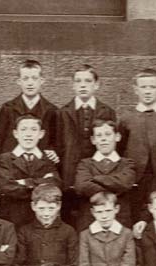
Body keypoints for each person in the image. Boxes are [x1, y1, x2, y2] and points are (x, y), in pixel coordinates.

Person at [57, 64, 117, 225]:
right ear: (73, 85)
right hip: (70, 175)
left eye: (88, 81)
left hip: (96, 175)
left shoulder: (107, 111)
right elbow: (58, 145)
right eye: (78, 81)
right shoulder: (63, 112)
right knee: (70, 217)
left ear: (96, 85)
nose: (83, 85)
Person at [118, 68, 156, 225]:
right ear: (136, 90)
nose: (148, 91)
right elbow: (120, 150)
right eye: (144, 87)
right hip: (136, 179)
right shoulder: (126, 118)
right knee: (134, 217)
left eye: (152, 87)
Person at [0, 114, 62, 228]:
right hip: (14, 218)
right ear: (15, 134)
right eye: (23, 129)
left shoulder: (47, 158)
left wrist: (23, 182)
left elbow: (55, 184)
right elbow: (7, 187)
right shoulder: (5, 159)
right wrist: (41, 183)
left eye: (33, 129)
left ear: (41, 134)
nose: (28, 134)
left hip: (41, 219)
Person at [0, 59, 58, 169]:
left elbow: (54, 142)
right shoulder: (8, 108)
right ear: (19, 81)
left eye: (34, 78)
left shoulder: (52, 110)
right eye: (25, 78)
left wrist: (52, 152)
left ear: (42, 81)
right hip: (12, 166)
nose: (30, 83)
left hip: (40, 167)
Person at [74, 119, 135, 230]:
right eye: (99, 135)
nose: (103, 139)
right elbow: (81, 186)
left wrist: (94, 179)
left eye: (108, 134)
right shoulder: (85, 163)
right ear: (93, 140)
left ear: (117, 137)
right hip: (89, 222)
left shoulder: (127, 164)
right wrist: (113, 187)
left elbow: (124, 183)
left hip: (120, 221)